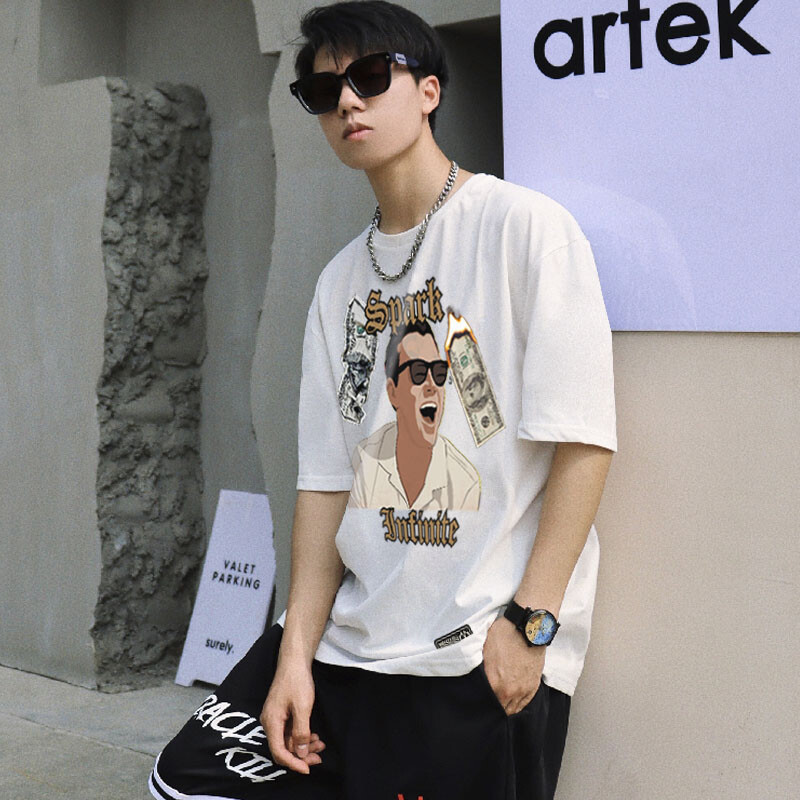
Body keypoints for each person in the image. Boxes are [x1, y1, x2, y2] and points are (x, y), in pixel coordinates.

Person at [149, 2, 616, 799]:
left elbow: (583, 441)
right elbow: (326, 484)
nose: (347, 102)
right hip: (348, 644)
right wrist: (293, 655)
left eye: (369, 77)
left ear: (429, 90)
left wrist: (531, 625)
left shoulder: (524, 230)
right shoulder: (339, 282)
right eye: (322, 90)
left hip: (472, 652)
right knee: (184, 781)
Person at [348, 318, 481, 510]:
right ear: (393, 392)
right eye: (418, 372)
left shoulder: (464, 482)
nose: (431, 385)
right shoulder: (365, 461)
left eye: (439, 372)